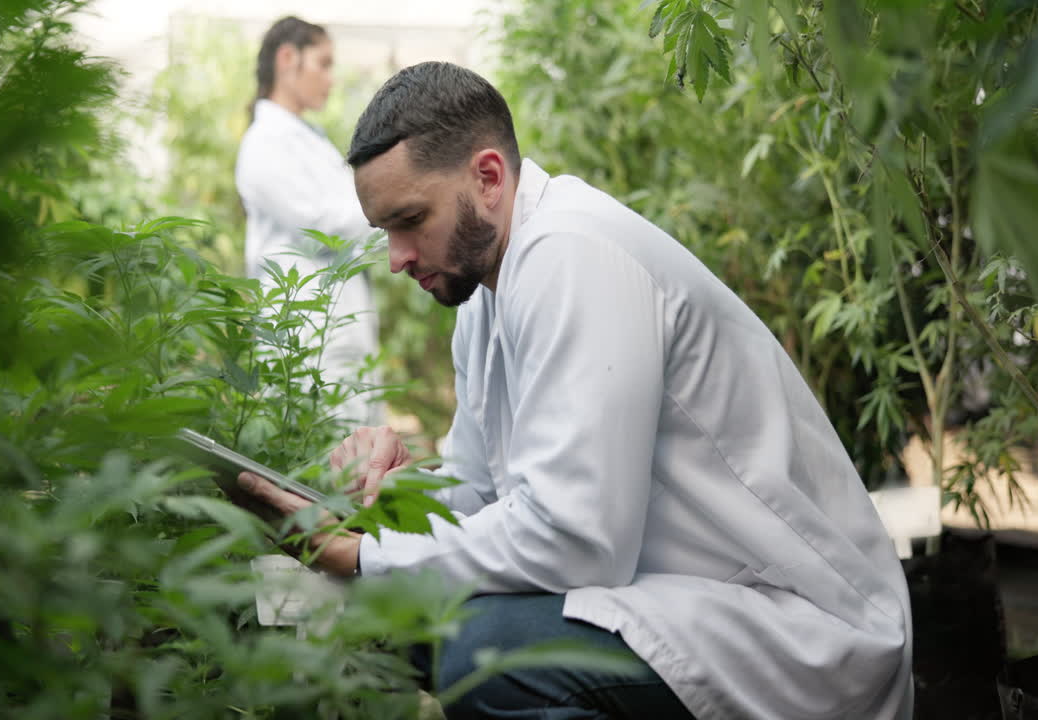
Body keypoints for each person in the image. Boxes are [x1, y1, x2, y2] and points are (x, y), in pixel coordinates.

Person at [236, 61, 913, 719]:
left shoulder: (572, 253)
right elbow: (482, 491)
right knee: (413, 618)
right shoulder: (486, 296)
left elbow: (576, 536)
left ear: (489, 177)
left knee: (486, 652)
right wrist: (395, 490)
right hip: (682, 599)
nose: (396, 258)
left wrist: (363, 557)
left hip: (801, 628)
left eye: (411, 220)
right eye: (387, 231)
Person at [235, 16, 380, 425]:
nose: (331, 79)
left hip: (341, 329)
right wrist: (393, 213)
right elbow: (324, 225)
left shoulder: (306, 139)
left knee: (360, 463)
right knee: (323, 466)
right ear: (287, 58)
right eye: (324, 64)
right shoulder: (264, 143)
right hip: (307, 336)